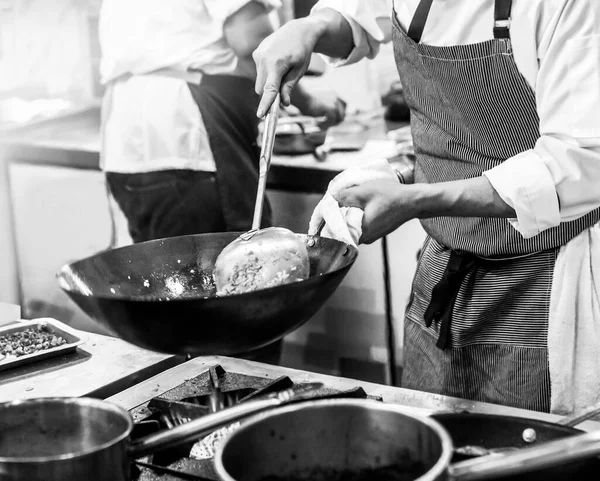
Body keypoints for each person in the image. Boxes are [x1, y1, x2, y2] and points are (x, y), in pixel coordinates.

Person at [252, 0, 600, 413]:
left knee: (524, 452)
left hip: (545, 275)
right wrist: (309, 28)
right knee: (424, 443)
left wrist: (411, 201)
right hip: (443, 273)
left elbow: (580, 162)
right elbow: (359, 17)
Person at [98, 0, 346, 365]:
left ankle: (191, 413)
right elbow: (253, 39)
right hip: (189, 136)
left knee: (172, 305)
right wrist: (308, 101)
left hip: (132, 139)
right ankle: (239, 414)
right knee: (244, 303)